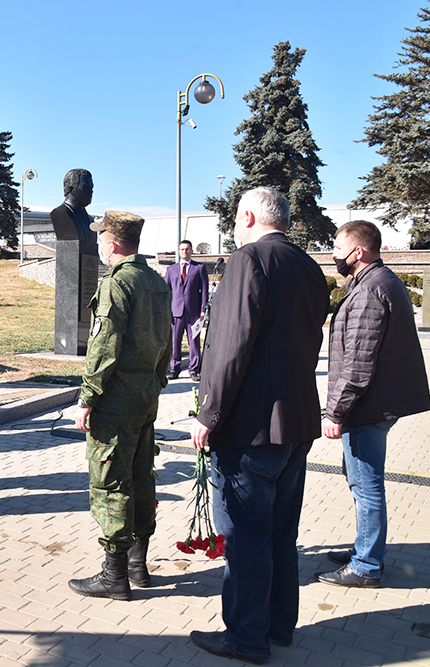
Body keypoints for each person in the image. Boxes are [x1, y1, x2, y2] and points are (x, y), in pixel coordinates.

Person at [189, 187, 329, 663]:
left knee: (248, 540)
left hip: (251, 429)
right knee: (281, 535)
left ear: (248, 216)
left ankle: (246, 638)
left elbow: (230, 346)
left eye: (235, 216)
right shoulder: (308, 265)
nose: (234, 224)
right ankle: (278, 626)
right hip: (296, 422)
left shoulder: (249, 260)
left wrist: (208, 414)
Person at [316, 220, 430, 588]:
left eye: (338, 249)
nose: (334, 256)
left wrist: (335, 412)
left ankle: (365, 565)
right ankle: (364, 547)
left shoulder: (369, 290)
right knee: (361, 480)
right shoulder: (379, 281)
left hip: (367, 406)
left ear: (358, 251)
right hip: (374, 402)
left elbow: (358, 362)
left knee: (366, 485)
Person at [68, 210, 173, 601]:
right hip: (146, 396)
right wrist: (156, 382)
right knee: (141, 476)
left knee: (111, 481)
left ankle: (114, 576)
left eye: (100, 237)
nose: (98, 243)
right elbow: (167, 341)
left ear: (111, 243)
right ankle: (137, 565)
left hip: (115, 400)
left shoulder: (117, 283)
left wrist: (87, 397)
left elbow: (104, 345)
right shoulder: (155, 281)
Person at [164, 239, 208, 381]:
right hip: (176, 312)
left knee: (194, 342)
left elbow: (204, 290)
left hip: (193, 312)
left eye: (187, 249)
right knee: (175, 342)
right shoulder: (171, 270)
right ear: (179, 251)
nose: (185, 251)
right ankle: (174, 369)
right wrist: (166, 310)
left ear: (192, 251)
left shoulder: (199, 268)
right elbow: (166, 291)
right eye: (182, 249)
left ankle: (194, 370)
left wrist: (203, 309)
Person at [50, 169, 95, 243]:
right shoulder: (60, 214)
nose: (91, 191)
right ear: (71, 189)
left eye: (91, 187)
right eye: (86, 187)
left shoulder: (91, 220)